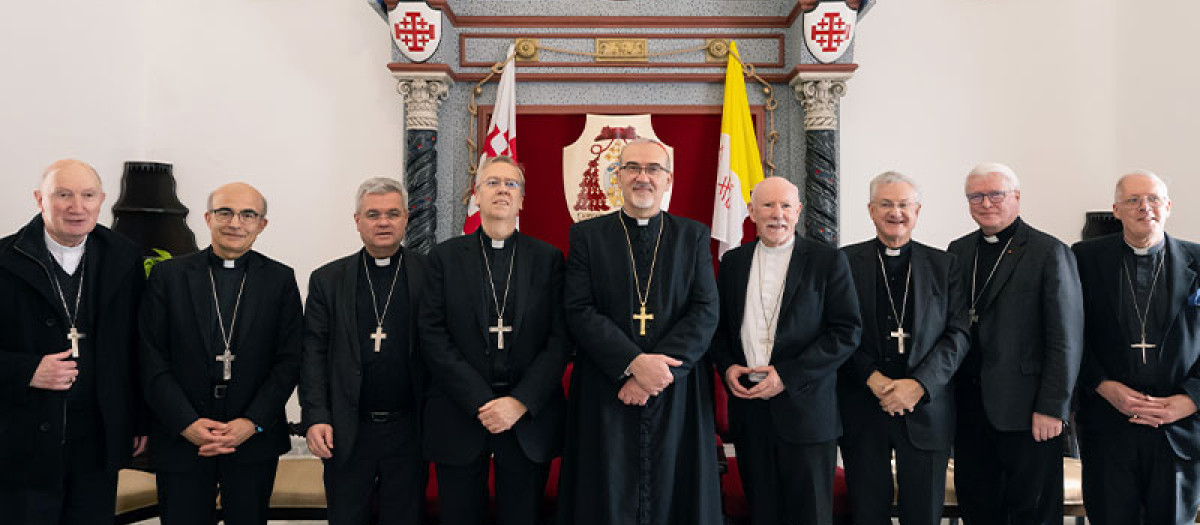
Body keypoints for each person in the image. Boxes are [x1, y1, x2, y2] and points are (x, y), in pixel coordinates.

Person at [556, 138, 721, 525]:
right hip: (607, 387)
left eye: (653, 169)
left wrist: (655, 374)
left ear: (668, 180)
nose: (642, 177)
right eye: (632, 167)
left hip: (676, 389)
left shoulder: (693, 236)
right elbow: (578, 308)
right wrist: (632, 363)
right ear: (618, 176)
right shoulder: (587, 236)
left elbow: (705, 309)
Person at [139, 182, 302, 525]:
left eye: (247, 214)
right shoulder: (169, 276)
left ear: (262, 224)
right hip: (182, 435)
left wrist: (252, 422)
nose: (235, 223)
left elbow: (289, 360)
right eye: (225, 212)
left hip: (252, 438)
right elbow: (150, 356)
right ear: (208, 218)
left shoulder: (279, 279)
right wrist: (185, 422)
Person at [420, 157, 569, 525]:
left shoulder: (548, 259)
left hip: (527, 420)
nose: (502, 189)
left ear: (522, 200)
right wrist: (480, 401)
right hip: (460, 413)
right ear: (476, 196)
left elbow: (561, 338)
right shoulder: (444, 258)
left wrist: (520, 402)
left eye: (511, 184)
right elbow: (433, 335)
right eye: (492, 183)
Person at [0, 159, 146, 524]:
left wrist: (138, 419)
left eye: (87, 195)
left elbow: (139, 347)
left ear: (102, 200)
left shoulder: (124, 258)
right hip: (22, 442)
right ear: (40, 199)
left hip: (98, 440)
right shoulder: (4, 260)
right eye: (63, 195)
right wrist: (26, 370)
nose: (76, 207)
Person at [710, 176, 862, 525]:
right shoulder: (733, 262)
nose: (777, 214)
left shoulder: (828, 261)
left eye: (785, 206)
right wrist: (728, 366)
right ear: (751, 212)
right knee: (762, 513)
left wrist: (787, 376)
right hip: (751, 414)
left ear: (798, 211)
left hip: (807, 414)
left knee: (810, 516)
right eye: (767, 205)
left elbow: (846, 332)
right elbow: (718, 331)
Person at [946, 162, 1084, 525]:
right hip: (970, 408)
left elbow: (1066, 337)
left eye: (995, 194)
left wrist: (1053, 407)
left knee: (1031, 513)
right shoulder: (958, 251)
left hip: (1029, 411)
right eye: (976, 196)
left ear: (1017, 197)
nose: (986, 203)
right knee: (978, 508)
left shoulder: (1048, 251)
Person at [838, 171, 969, 525]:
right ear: (870, 210)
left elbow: (958, 334)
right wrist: (871, 377)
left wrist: (920, 385)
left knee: (923, 515)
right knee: (868, 514)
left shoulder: (945, 265)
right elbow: (837, 331)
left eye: (903, 205)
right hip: (864, 406)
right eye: (885, 204)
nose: (895, 212)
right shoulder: (844, 262)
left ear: (917, 211)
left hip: (926, 409)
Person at [1073, 171, 1200, 525]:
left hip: (1178, 427)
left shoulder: (1198, 259)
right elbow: (1069, 335)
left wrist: (1191, 399)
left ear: (1168, 206)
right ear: (1116, 210)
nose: (1145, 207)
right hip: (1109, 422)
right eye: (1133, 200)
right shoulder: (1084, 259)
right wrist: (1102, 384)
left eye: (1153, 199)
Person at [299, 177, 427, 524]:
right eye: (373, 214)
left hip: (409, 428)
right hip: (347, 429)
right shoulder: (328, 280)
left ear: (406, 218)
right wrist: (316, 416)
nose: (383, 222)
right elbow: (313, 354)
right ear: (357, 221)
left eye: (392, 213)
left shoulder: (430, 274)